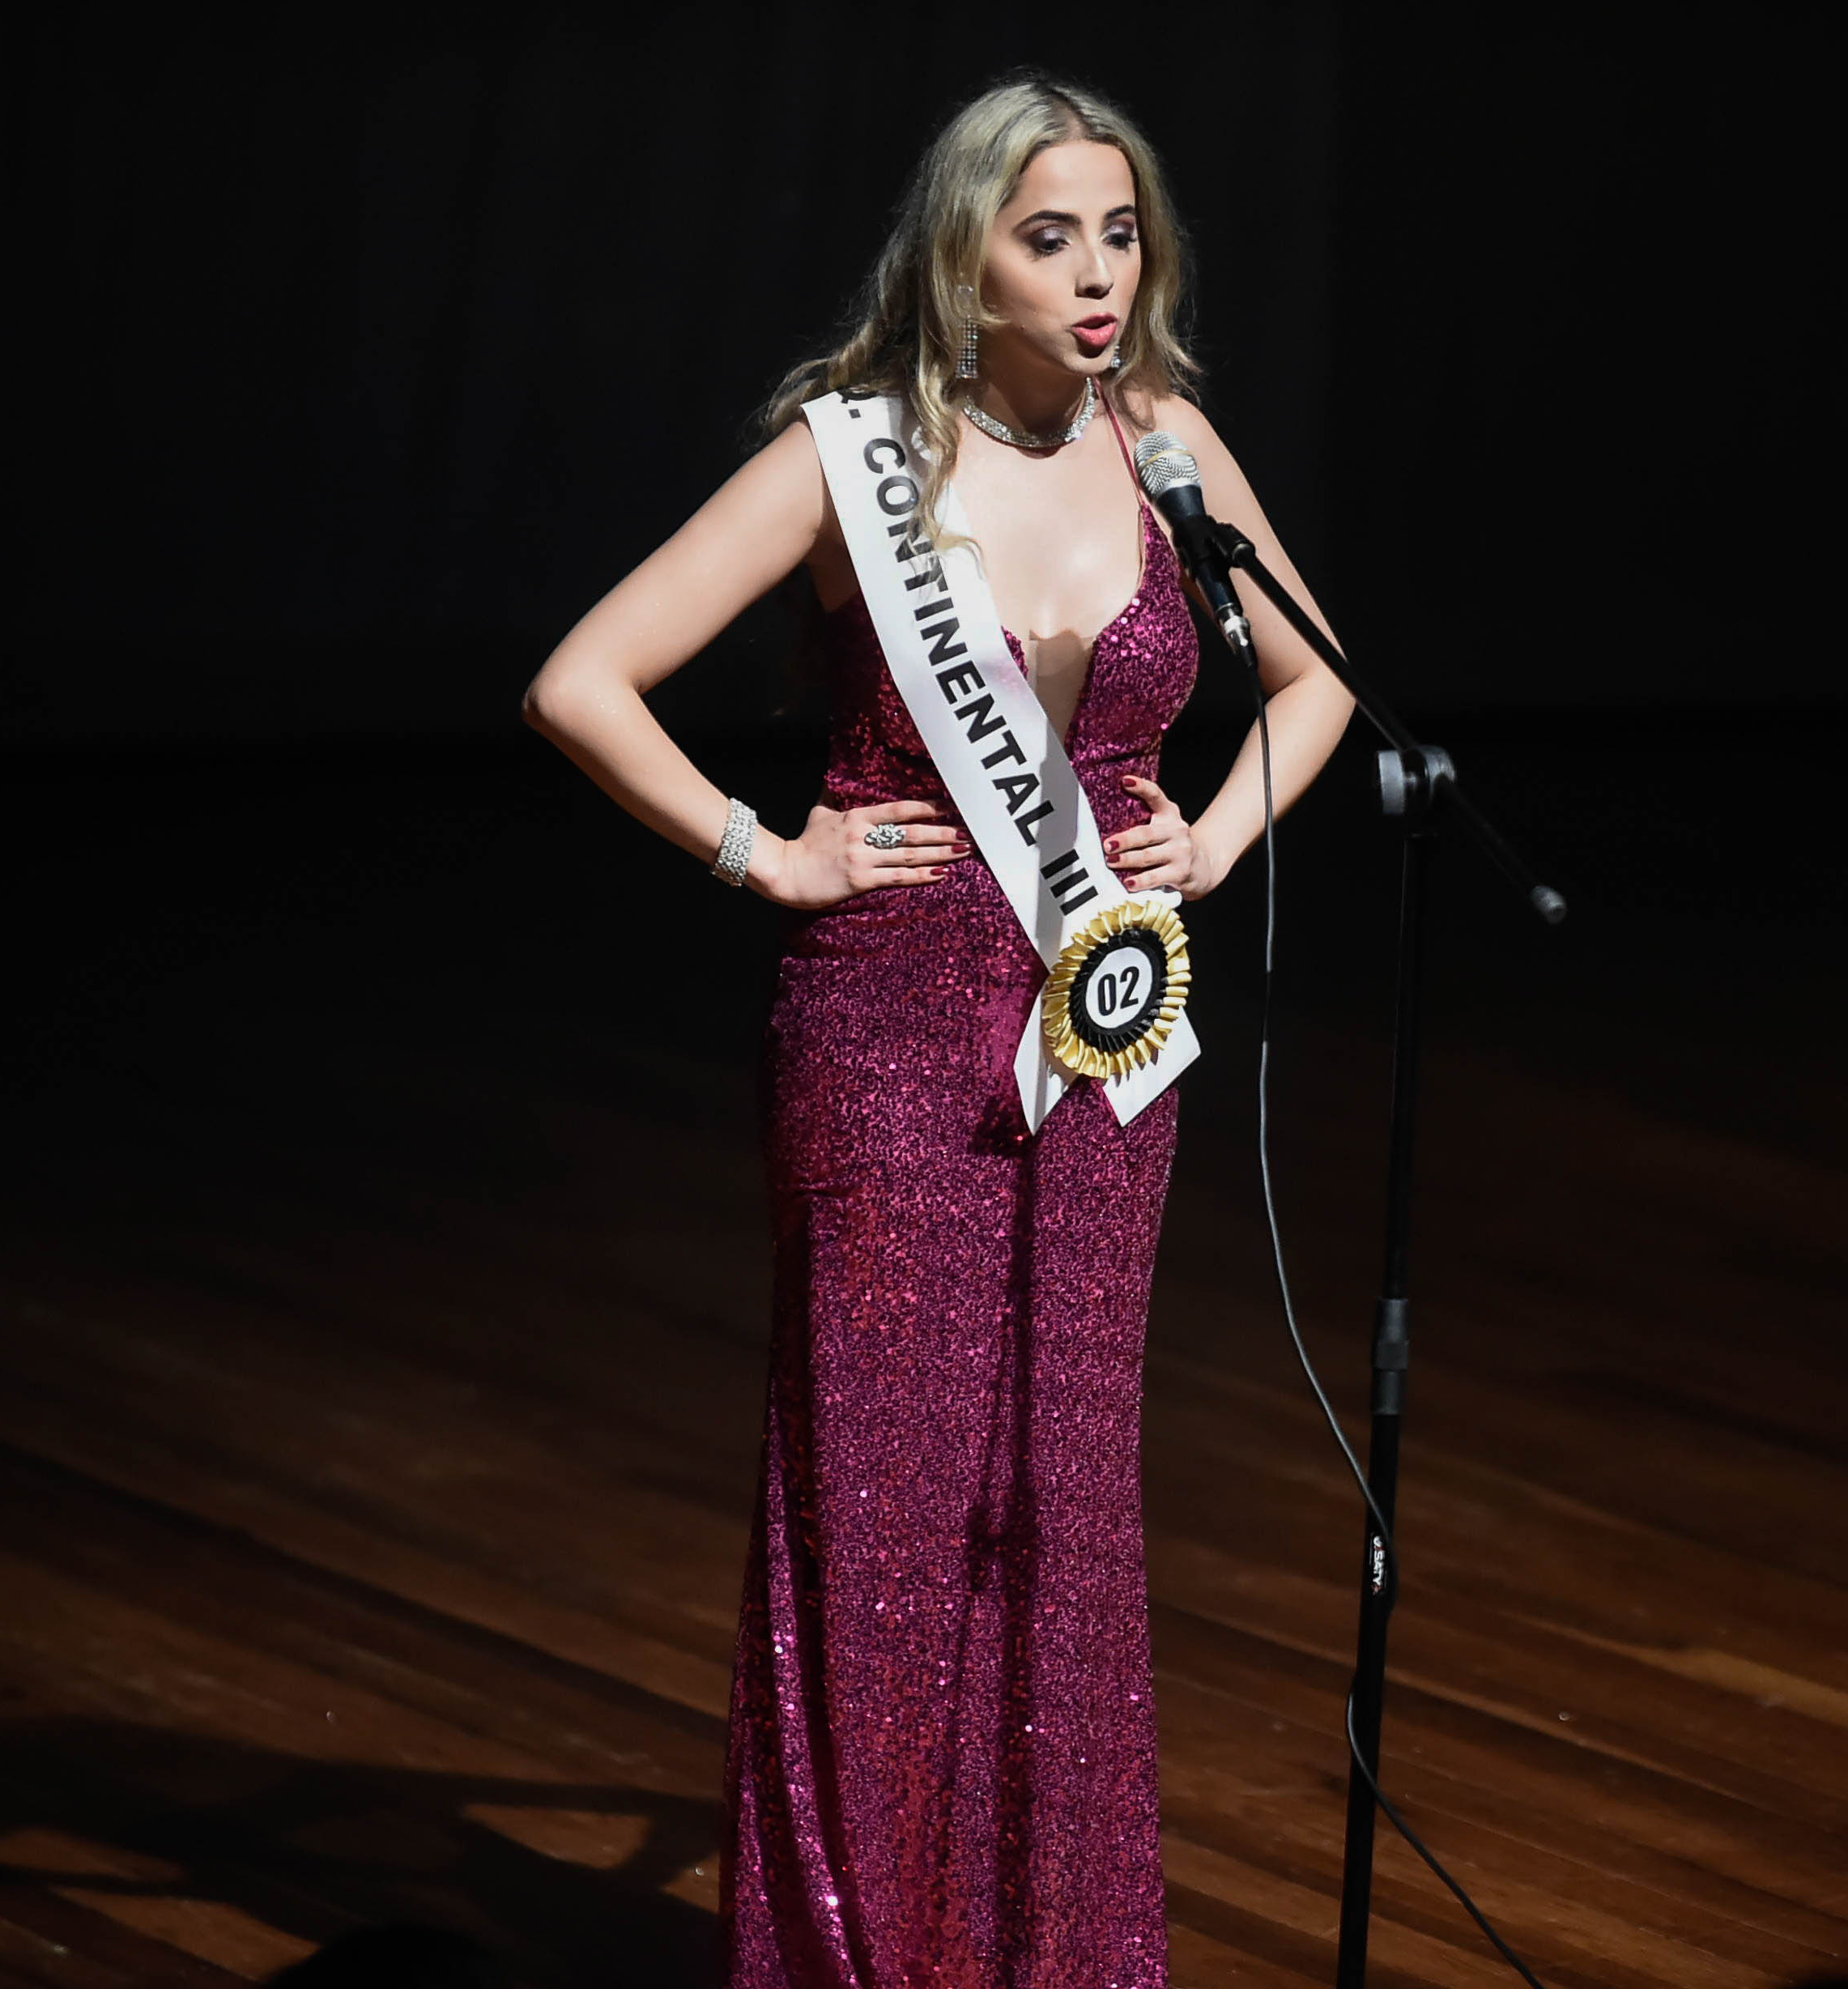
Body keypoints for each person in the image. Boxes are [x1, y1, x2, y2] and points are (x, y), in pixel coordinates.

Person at [519, 70, 1355, 1989]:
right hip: (888, 1031)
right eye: (1050, 237)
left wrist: (1217, 834)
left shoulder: (1166, 447)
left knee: (1062, 1509)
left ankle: (1053, 1954)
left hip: (1102, 1038)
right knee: (881, 1512)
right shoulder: (853, 458)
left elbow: (1319, 684)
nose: (1097, 274)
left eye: (1120, 233)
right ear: (964, 258)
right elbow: (585, 679)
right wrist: (764, 851)